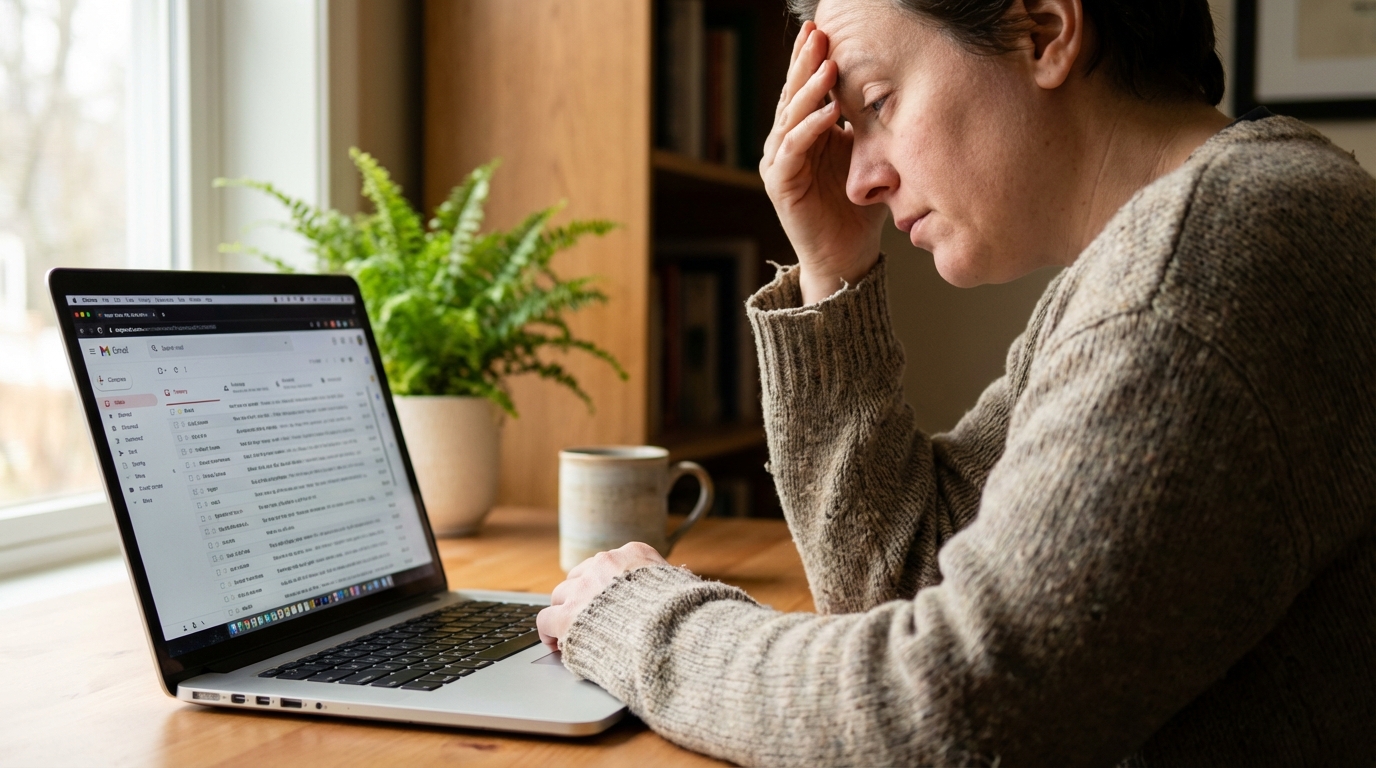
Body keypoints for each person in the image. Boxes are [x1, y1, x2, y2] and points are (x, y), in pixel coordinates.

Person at [536, 0, 1376, 763]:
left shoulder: (1201, 268)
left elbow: (951, 711)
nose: (858, 175)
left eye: (876, 103)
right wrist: (833, 266)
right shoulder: (1165, 256)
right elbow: (904, 575)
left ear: (1042, 31)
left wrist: (640, 621)